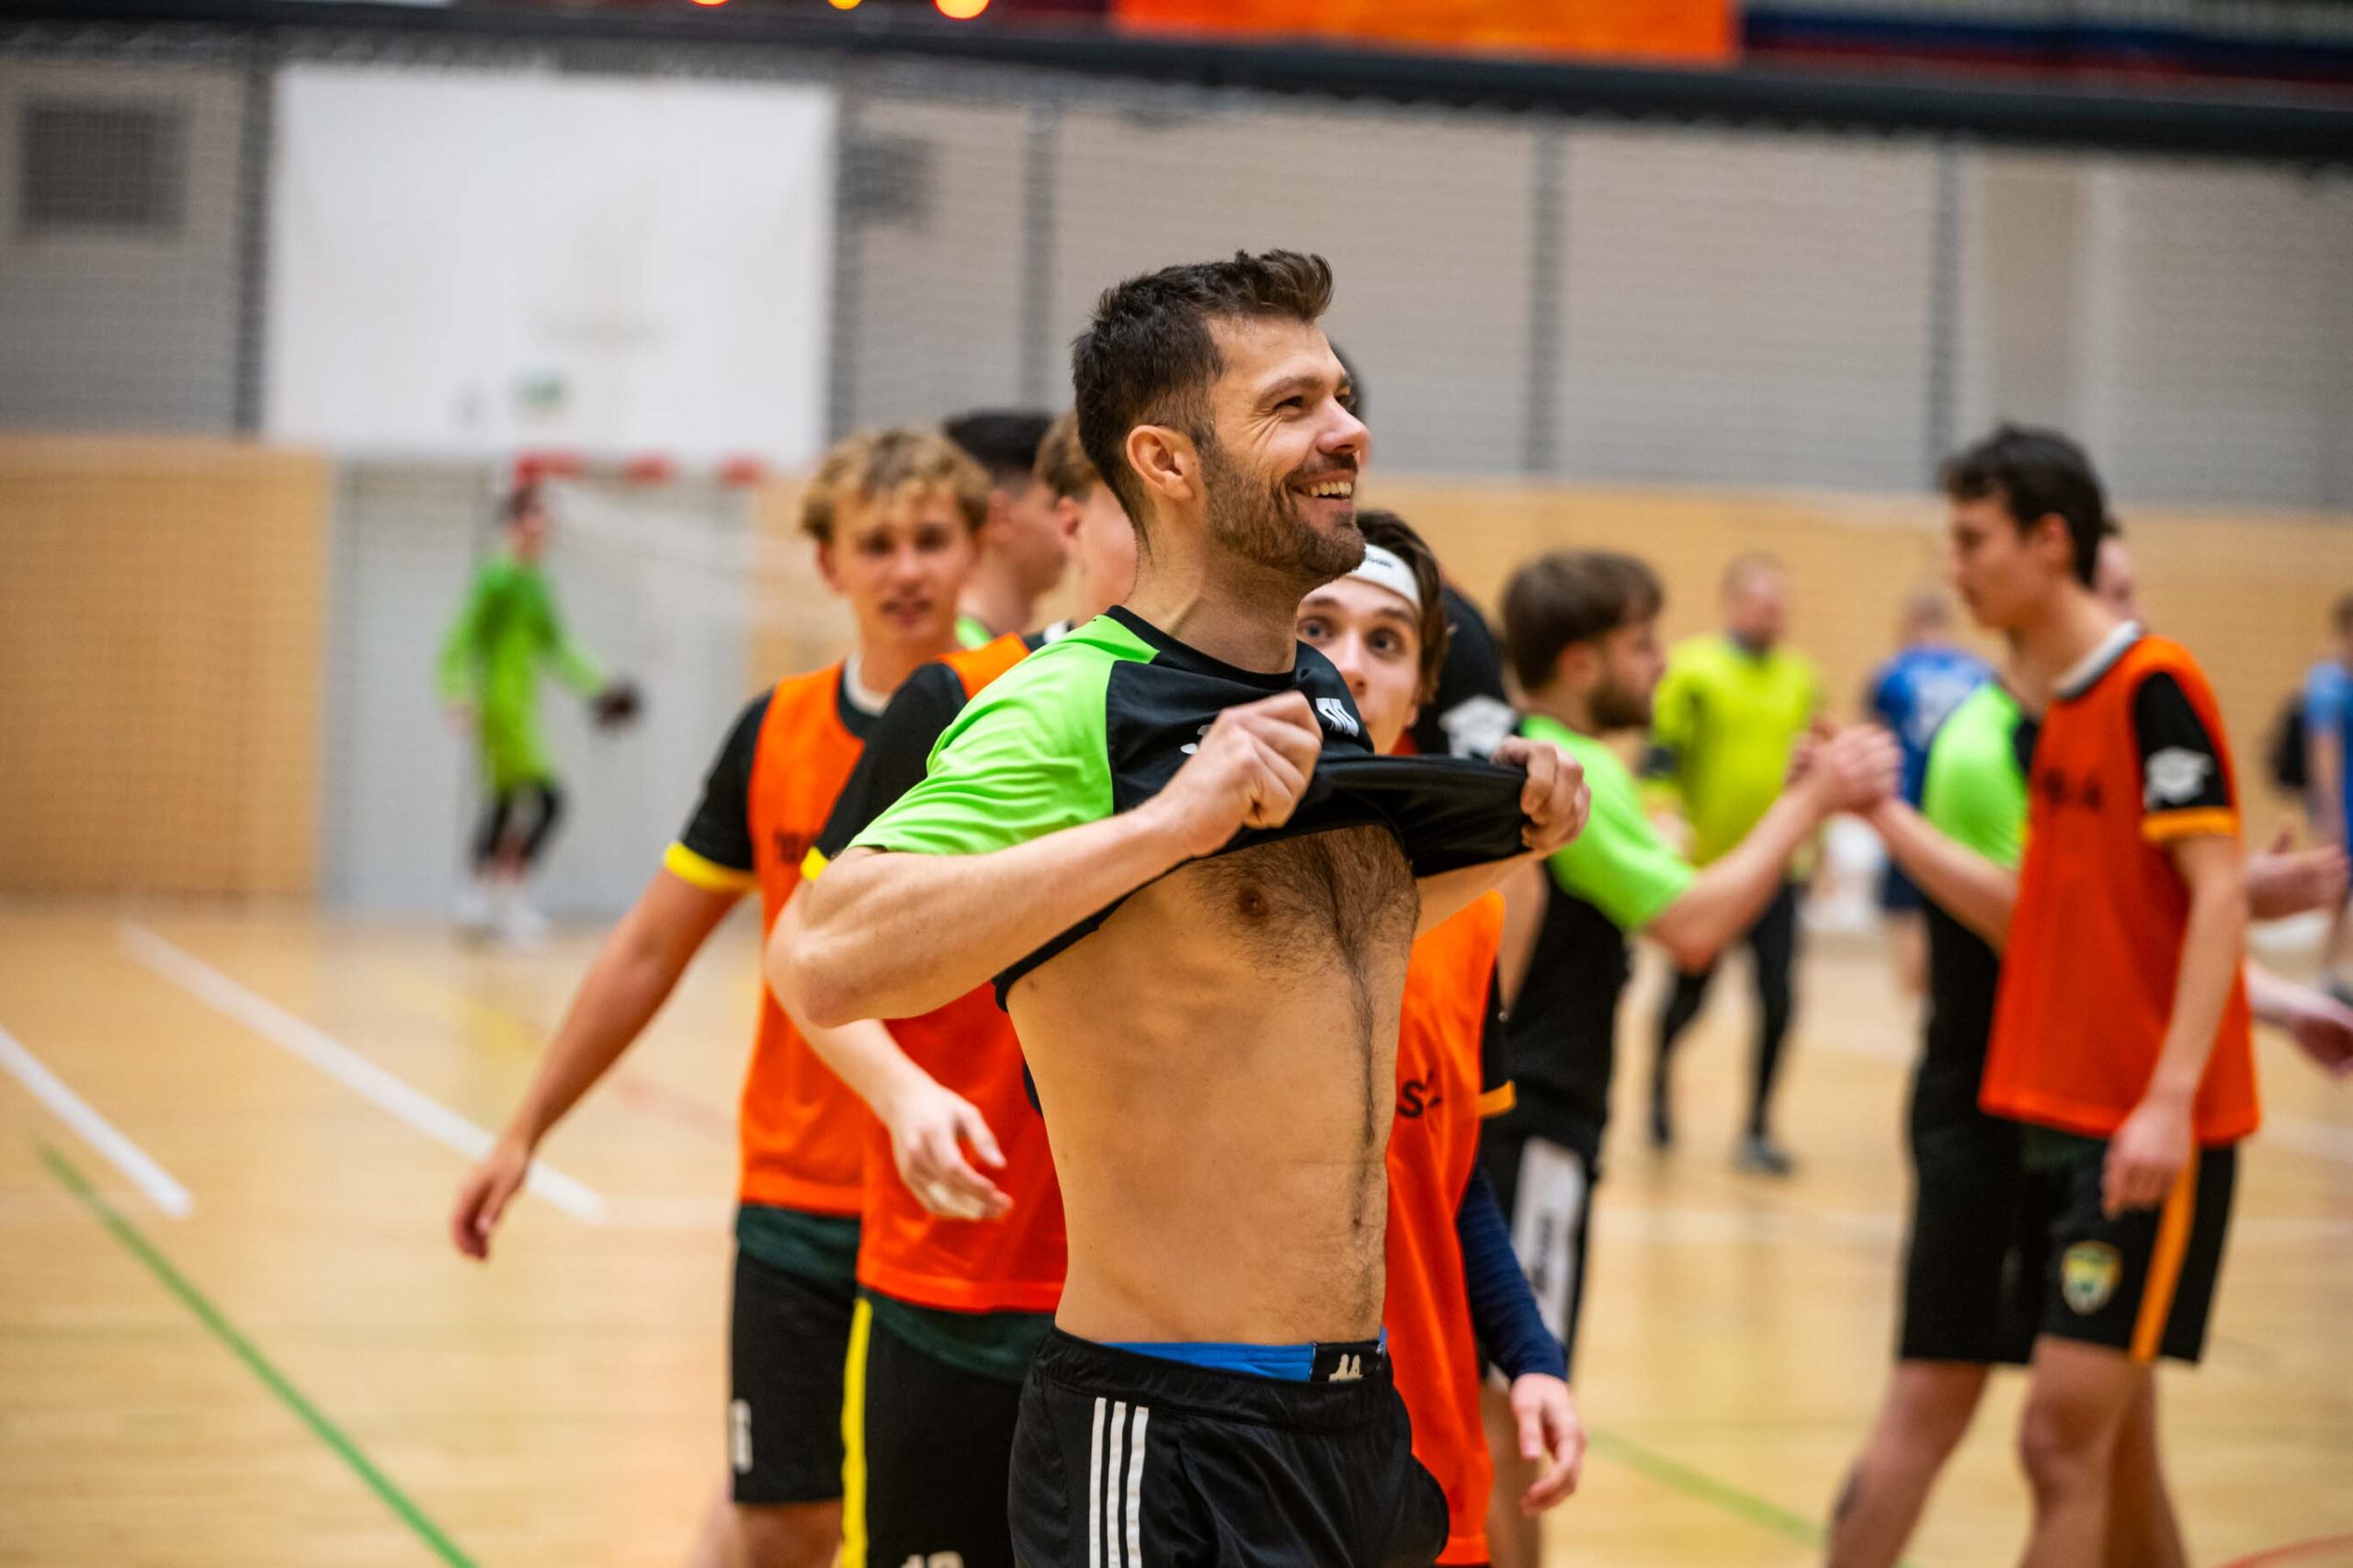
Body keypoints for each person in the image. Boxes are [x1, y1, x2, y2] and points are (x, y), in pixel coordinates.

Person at [771, 250, 1589, 1568]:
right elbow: (822, 954)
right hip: (1165, 1432)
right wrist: (1162, 825)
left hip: (1351, 1417)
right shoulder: (1073, 701)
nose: (1347, 430)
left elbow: (1295, 950)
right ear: (1165, 460)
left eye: (1339, 395)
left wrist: (1515, 842)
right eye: (1293, 405)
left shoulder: (1315, 691)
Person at [445, 429, 987, 1568]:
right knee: (784, 1520)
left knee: (938, 1535)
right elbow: (649, 947)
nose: (906, 568)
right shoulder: (776, 730)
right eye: (876, 543)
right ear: (829, 564)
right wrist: (527, 1126)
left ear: (974, 550)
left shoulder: (1027, 717)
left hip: (966, 1200)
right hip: (800, 1192)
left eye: (931, 539)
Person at [1829, 525, 2351, 1568]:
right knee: (1961, 1407)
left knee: (2108, 1427)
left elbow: (2124, 942)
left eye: (2133, 591)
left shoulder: (2107, 721)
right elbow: (2054, 927)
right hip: (1993, 1111)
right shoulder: (1994, 742)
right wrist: (2235, 894)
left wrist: (2273, 987)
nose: (2128, 614)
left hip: (2089, 1110)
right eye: (2110, 590)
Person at [1480, 549, 1896, 1568]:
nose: (1662, 663)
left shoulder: (1544, 755)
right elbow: (1694, 925)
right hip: (1534, 1128)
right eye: (1642, 643)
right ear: (1581, 663)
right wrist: (1809, 808)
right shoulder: (1564, 771)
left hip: (1522, 1123)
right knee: (1514, 1412)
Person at [776, 412, 1114, 1568]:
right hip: (965, 1264)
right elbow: (801, 950)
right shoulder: (961, 698)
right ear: (1067, 522)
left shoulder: (1260, 715)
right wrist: (904, 1092)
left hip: (1166, 1307)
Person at [1296, 511, 1586, 1567]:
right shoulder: (1188, 881)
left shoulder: (1472, 909)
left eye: (1385, 641)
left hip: (1420, 1441)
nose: (1349, 664)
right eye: (1316, 628)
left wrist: (1532, 1354)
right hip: (1246, 1444)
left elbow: (1453, 1178)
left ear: (1420, 690)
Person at [1644, 551, 1824, 1173]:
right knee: (1689, 998)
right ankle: (1658, 1087)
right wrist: (1664, 816)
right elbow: (1661, 759)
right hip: (1712, 872)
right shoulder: (1694, 671)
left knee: (1779, 999)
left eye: (1779, 604)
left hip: (1779, 871)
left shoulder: (1801, 678)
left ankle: (1757, 1127)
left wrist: (1819, 846)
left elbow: (1813, 766)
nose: (1771, 614)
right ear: (1733, 602)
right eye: (1761, 602)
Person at [438, 481, 631, 945]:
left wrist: (599, 683)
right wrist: (456, 691)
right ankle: (502, 897)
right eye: (533, 518)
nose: (542, 529)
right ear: (514, 523)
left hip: (524, 708)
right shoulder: (497, 579)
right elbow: (462, 638)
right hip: (499, 706)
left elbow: (557, 645)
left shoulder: (536, 584)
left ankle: (485, 897)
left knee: (507, 800)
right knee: (547, 800)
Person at [1864, 590, 1988, 994]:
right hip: (1966, 826)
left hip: (1909, 823)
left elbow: (1875, 742)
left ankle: (1925, 1011)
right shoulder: (1980, 674)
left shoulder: (1892, 676)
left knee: (1911, 958)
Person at [944, 409, 1065, 646]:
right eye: (1054, 507)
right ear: (999, 516)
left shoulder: (987, 648)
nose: (1070, 525)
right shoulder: (962, 657)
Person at [2302, 593, 2353, 1000]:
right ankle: (2324, 975)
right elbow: (2324, 758)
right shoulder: (2328, 687)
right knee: (2337, 894)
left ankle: (2333, 972)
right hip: (2343, 806)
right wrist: (2331, 819)